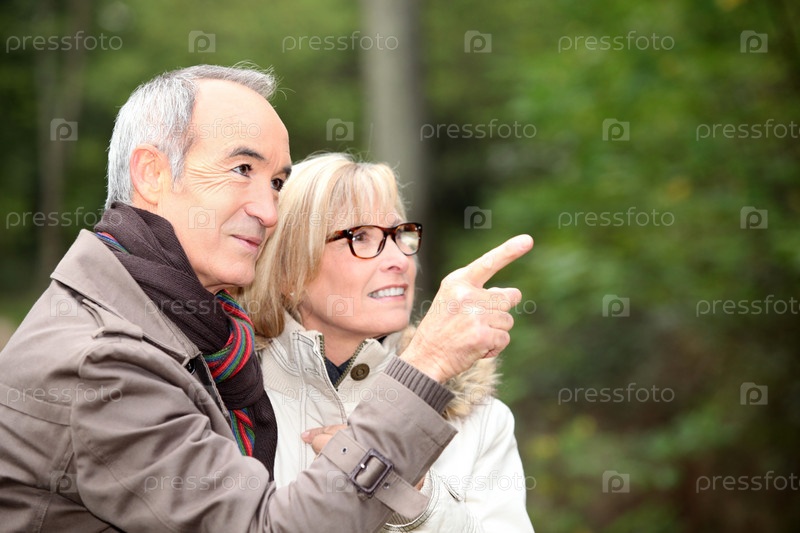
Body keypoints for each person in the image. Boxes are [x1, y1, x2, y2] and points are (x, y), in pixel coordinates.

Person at [0, 63, 534, 532]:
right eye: (242, 169)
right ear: (153, 173)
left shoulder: (202, 346)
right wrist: (428, 365)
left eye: (277, 182)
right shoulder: (104, 359)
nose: (269, 211)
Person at [240, 152, 535, 532]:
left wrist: (407, 494)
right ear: (287, 271)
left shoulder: (478, 418)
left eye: (400, 235)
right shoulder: (227, 396)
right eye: (360, 237)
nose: (398, 259)